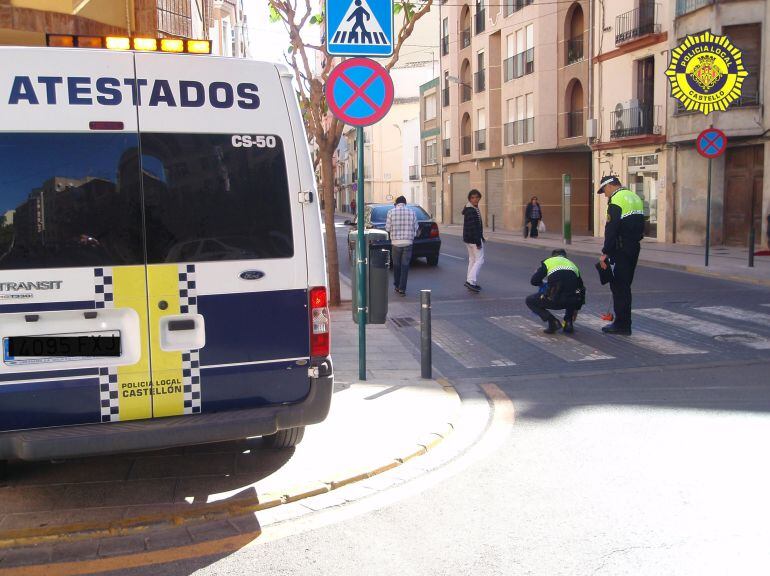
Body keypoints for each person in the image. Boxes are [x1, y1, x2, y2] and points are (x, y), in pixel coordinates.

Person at [597, 176, 644, 335]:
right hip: (634, 247)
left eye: (604, 190)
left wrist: (605, 252)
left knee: (618, 287)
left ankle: (622, 325)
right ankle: (624, 322)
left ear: (610, 186)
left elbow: (611, 229)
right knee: (625, 286)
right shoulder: (634, 196)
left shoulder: (616, 199)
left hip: (620, 249)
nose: (605, 195)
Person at [526, 249, 585, 334]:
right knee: (571, 291)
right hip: (572, 301)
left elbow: (534, 281)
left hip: (555, 300)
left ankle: (553, 322)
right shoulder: (572, 265)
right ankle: (568, 323)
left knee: (530, 300)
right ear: (565, 257)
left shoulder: (549, 262)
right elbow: (581, 288)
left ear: (553, 256)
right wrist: (577, 308)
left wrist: (543, 284)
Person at [385, 196, 419, 296]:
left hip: (395, 242)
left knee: (396, 265)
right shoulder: (412, 212)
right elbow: (416, 227)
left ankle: (396, 285)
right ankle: (402, 288)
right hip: (408, 242)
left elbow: (387, 228)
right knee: (405, 266)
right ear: (405, 203)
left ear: (397, 203)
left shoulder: (391, 212)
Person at [462, 189, 485, 293]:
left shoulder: (471, 208)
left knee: (472, 259)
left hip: (469, 239)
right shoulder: (471, 210)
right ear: (469, 199)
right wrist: (478, 241)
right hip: (473, 239)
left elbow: (477, 226)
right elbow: (473, 227)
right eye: (473, 197)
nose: (475, 199)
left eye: (477, 197)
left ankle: (470, 281)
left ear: (479, 197)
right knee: (480, 260)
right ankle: (471, 281)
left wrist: (481, 237)